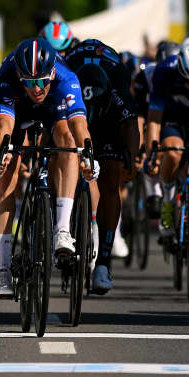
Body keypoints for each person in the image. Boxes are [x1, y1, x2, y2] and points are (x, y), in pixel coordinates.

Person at [0, 38, 93, 296]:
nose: (36, 88)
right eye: (30, 82)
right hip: (18, 111)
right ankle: (2, 268)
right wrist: (1, 152)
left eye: (41, 81)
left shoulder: (65, 77)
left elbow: (79, 124)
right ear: (20, 76)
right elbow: (3, 125)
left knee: (67, 140)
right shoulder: (9, 76)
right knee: (7, 175)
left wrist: (89, 155)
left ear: (52, 73)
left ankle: (62, 229)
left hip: (53, 110)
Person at [66, 44, 140, 292]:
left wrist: (130, 156)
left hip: (109, 125)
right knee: (61, 159)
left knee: (112, 177)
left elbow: (130, 123)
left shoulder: (118, 81)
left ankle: (104, 263)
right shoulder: (67, 76)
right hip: (72, 115)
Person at [144, 38, 189, 252]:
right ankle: (167, 199)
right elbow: (154, 117)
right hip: (172, 118)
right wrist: (152, 153)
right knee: (172, 153)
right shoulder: (164, 71)